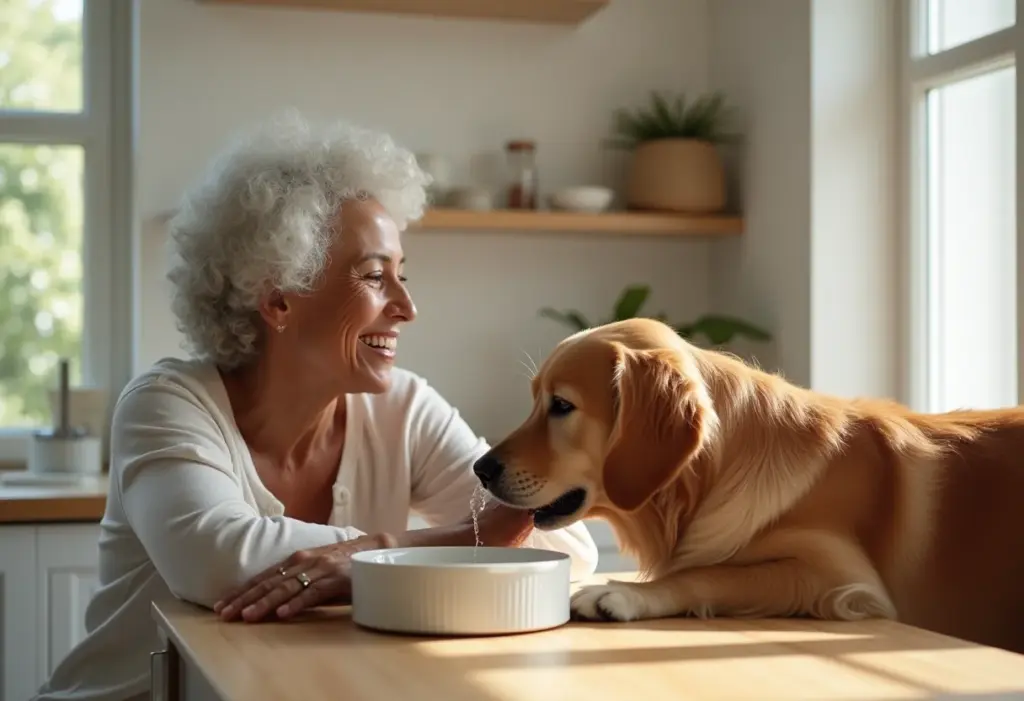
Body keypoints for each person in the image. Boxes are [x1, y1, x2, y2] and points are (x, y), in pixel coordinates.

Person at [32, 113, 599, 701]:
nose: (407, 307)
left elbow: (563, 547)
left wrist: (367, 559)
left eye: (402, 275)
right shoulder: (166, 404)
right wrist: (400, 550)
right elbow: (217, 561)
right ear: (278, 300)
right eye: (375, 276)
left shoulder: (405, 408)